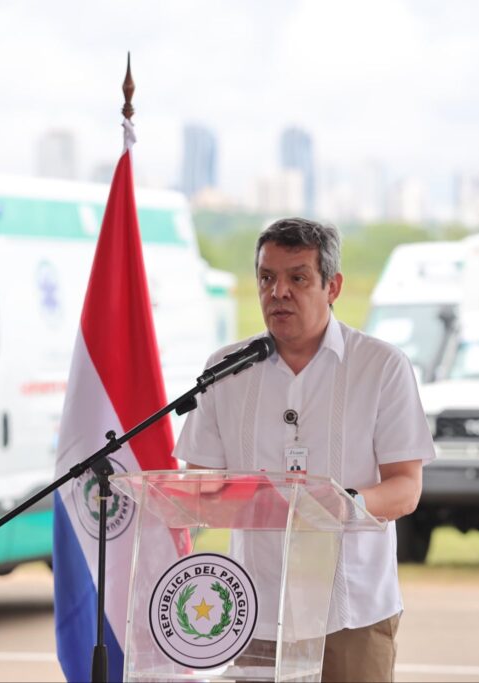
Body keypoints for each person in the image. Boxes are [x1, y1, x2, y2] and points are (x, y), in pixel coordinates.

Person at [174, 217, 434, 682]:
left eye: (297, 278)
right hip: (255, 608)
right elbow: (200, 487)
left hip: (351, 611)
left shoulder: (380, 366)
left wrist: (342, 504)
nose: (278, 293)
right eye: (266, 278)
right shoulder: (226, 370)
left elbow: (405, 489)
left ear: (332, 286)